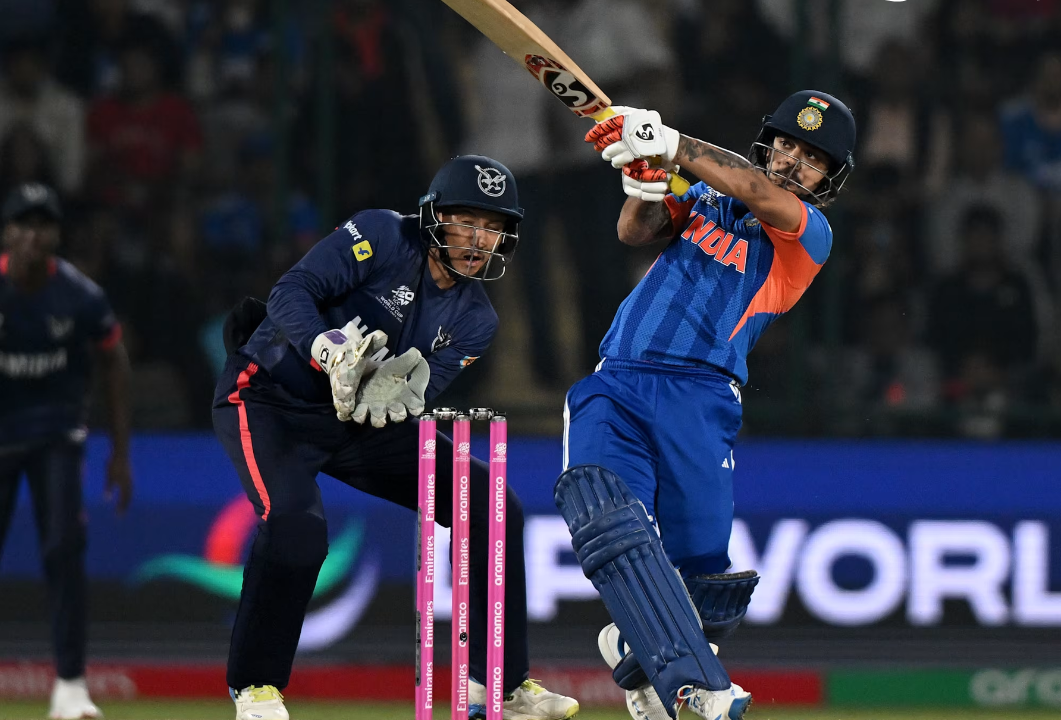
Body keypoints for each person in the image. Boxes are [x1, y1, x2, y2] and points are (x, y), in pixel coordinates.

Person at [213, 155, 578, 720]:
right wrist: (330, 351)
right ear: (434, 216)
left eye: (493, 227)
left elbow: (414, 396)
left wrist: (386, 397)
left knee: (490, 505)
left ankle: (496, 684)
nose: (480, 240)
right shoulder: (382, 234)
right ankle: (256, 688)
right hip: (269, 399)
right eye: (467, 221)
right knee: (295, 529)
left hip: (356, 423)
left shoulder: (476, 321)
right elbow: (291, 291)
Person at [555, 92, 857, 720]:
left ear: (828, 179)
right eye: (787, 145)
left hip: (701, 396)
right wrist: (645, 181)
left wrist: (671, 143)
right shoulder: (704, 196)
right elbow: (635, 231)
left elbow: (755, 189)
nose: (792, 162)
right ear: (768, 142)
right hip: (622, 377)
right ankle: (684, 678)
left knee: (704, 582)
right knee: (607, 516)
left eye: (812, 159)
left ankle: (639, 654)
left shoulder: (810, 233)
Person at [0, 182, 133, 720]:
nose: (35, 235)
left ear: (57, 235)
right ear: (7, 234)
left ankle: (70, 686)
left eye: (45, 225)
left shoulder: (80, 297)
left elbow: (114, 359)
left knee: (64, 549)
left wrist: (120, 451)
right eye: (24, 224)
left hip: (55, 435)